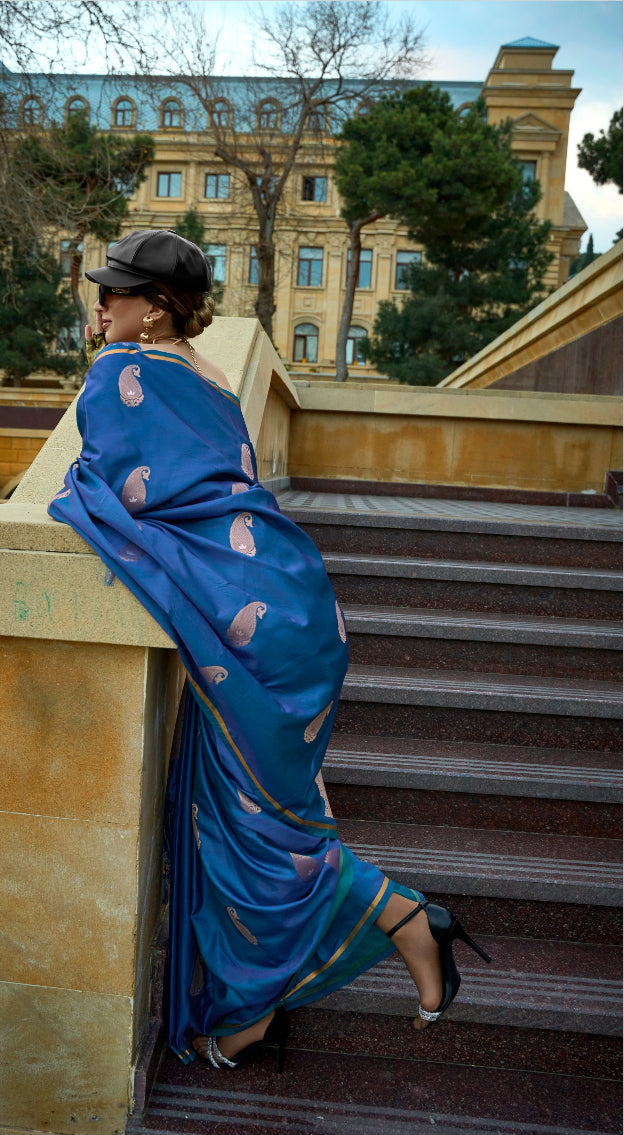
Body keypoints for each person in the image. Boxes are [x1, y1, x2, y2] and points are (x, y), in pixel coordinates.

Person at [48, 229, 490, 1071]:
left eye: (116, 291)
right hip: (292, 609)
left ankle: (400, 917)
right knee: (248, 822)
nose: (99, 303)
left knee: (252, 833)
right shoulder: (208, 377)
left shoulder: (119, 374)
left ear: (158, 308)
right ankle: (253, 1016)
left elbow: (103, 486)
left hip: (242, 627)